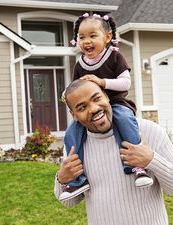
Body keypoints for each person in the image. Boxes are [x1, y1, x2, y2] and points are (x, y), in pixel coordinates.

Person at [54, 79, 173, 225]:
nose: (93, 109)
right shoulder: (75, 147)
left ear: (106, 96)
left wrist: (151, 160)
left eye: (97, 98)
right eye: (82, 108)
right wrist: (61, 180)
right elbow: (69, 202)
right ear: (73, 115)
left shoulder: (147, 131)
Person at [59, 12, 153, 201]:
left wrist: (101, 82)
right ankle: (78, 179)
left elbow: (125, 83)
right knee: (71, 132)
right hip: (91, 111)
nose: (86, 41)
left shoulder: (114, 57)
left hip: (116, 103)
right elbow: (76, 87)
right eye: (82, 37)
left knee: (125, 120)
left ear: (108, 37)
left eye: (93, 35)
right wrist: (66, 93)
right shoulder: (80, 64)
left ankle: (137, 167)